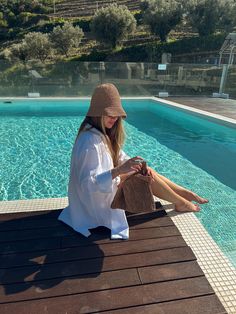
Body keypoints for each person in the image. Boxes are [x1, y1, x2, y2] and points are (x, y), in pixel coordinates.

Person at [58, 83, 208, 240]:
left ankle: (182, 195)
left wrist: (132, 165)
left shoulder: (99, 132)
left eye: (116, 114)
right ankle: (181, 201)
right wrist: (119, 171)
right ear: (97, 113)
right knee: (143, 177)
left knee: (146, 171)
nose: (115, 118)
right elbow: (87, 185)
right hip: (94, 205)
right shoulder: (90, 142)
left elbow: (119, 157)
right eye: (110, 114)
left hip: (100, 193)